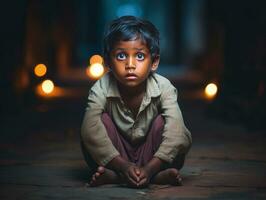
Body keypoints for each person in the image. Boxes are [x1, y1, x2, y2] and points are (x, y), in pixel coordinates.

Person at [81, 15, 192, 188]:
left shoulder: (164, 87)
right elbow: (89, 130)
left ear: (154, 62)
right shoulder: (101, 88)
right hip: (116, 157)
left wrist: (149, 168)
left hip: (153, 157)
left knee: (167, 124)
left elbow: (177, 133)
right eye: (121, 56)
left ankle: (145, 175)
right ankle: (124, 174)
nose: (130, 64)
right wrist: (123, 166)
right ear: (108, 62)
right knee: (97, 123)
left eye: (140, 56)